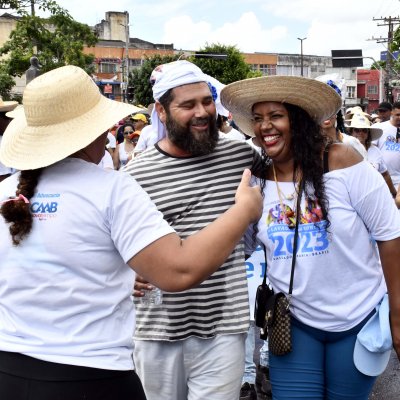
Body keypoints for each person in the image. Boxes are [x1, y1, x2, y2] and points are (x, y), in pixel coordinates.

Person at [0, 65, 262, 400]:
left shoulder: (7, 191)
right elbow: (177, 269)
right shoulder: (113, 187)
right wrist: (244, 211)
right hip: (92, 374)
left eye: (206, 102)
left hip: (10, 368)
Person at [220, 75, 400, 399]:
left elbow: (390, 233)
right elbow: (237, 247)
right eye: (258, 119)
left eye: (275, 116)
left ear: (298, 120)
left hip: (357, 322)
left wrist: (397, 313)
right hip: (293, 324)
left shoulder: (341, 161)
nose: (265, 127)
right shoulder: (257, 181)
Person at [126, 60, 262, 400]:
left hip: (224, 326)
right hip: (157, 328)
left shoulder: (239, 155)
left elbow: (292, 169)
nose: (202, 112)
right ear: (161, 110)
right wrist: (124, 271)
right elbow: (110, 245)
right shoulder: (135, 175)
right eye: (188, 105)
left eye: (206, 101)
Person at [348, 112, 397, 198]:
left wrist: (394, 194)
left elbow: (385, 174)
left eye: (364, 130)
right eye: (357, 130)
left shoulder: (375, 151)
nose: (360, 133)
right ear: (351, 132)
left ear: (368, 134)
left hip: (374, 195)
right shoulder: (344, 150)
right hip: (352, 196)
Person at [372, 101, 400, 191]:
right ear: (392, 112)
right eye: (398, 115)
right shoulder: (379, 128)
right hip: (383, 177)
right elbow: (371, 150)